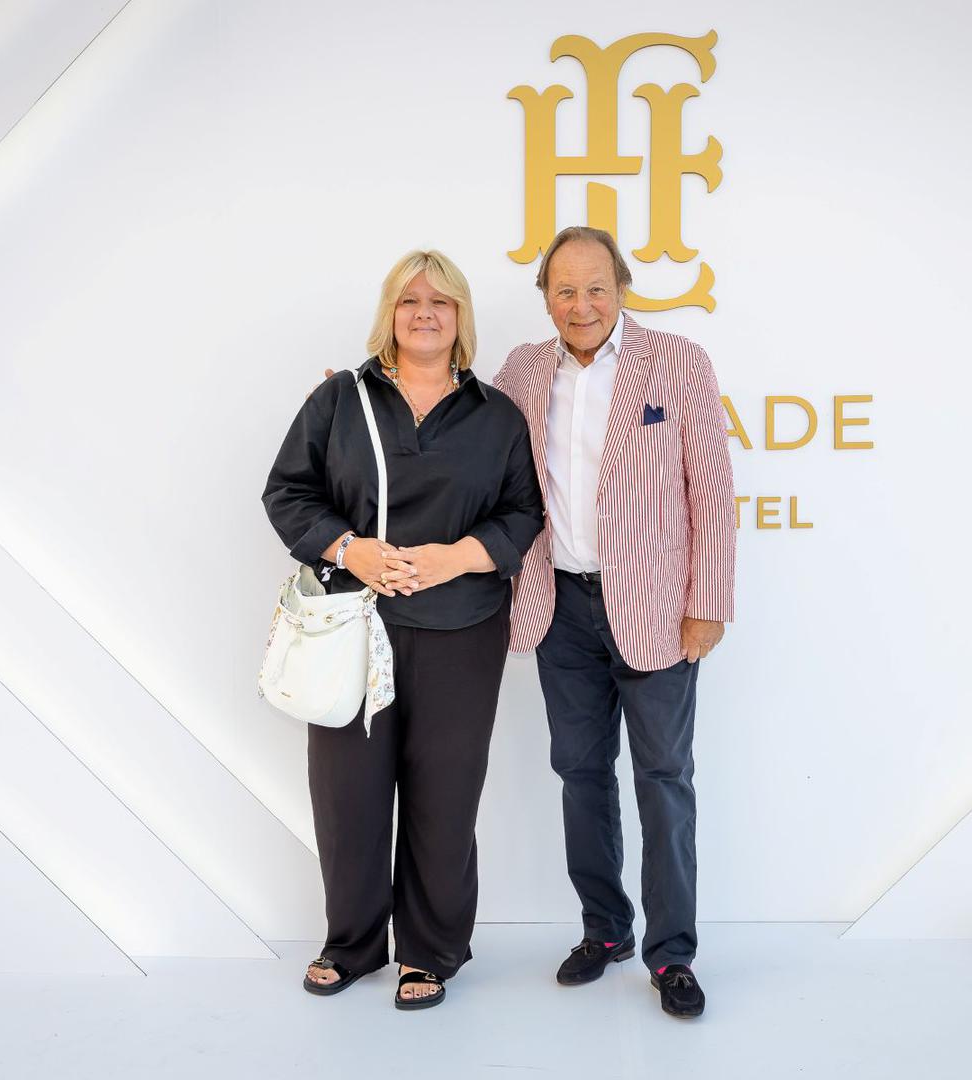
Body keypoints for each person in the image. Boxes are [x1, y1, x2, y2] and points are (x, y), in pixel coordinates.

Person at [261, 250, 542, 1010]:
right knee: (347, 795)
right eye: (410, 299)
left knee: (444, 798)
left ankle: (430, 952)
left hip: (462, 630)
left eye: (441, 301)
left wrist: (455, 557)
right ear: (389, 312)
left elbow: (523, 513)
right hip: (354, 627)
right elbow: (287, 493)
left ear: (461, 317)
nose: (425, 312)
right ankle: (351, 945)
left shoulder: (496, 416)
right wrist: (350, 549)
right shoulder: (340, 400)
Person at [492, 226, 735, 1019]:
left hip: (658, 609)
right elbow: (471, 446)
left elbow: (712, 490)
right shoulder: (523, 370)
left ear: (621, 288)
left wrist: (708, 603)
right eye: (564, 290)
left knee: (664, 778)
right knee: (580, 773)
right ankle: (605, 931)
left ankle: (672, 954)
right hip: (559, 607)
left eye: (596, 287)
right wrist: (374, 400)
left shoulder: (677, 361)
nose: (582, 304)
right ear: (546, 299)